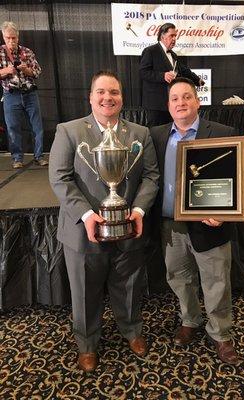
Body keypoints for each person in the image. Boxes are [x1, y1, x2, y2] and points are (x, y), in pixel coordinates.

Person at [49, 71, 159, 372]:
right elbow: (59, 178)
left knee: (131, 285)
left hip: (129, 226)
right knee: (84, 292)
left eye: (114, 92)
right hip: (83, 232)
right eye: (101, 92)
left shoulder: (140, 134)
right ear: (90, 96)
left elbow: (151, 177)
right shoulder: (69, 131)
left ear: (122, 97)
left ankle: (132, 330)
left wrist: (138, 211)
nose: (107, 97)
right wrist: (87, 214)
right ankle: (87, 344)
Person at [150, 77, 239, 365]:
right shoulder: (156, 135)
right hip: (169, 226)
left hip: (209, 224)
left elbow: (233, 181)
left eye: (186, 97)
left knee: (216, 281)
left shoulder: (222, 133)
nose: (180, 103)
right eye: (175, 98)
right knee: (178, 278)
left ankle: (221, 334)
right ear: (168, 105)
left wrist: (223, 213)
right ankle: (190, 319)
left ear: (197, 101)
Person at [0, 21, 48, 169]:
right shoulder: (0, 53)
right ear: (3, 36)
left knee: (37, 127)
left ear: (18, 37)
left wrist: (26, 70)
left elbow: (38, 71)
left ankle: (39, 156)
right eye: (8, 38)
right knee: (13, 128)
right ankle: (17, 158)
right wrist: (6, 71)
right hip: (11, 95)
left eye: (13, 38)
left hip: (30, 94)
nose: (11, 41)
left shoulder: (27, 52)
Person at [140, 23, 204, 128]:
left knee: (169, 131)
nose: (174, 39)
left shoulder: (173, 55)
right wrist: (162, 75)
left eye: (175, 36)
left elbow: (184, 70)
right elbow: (143, 72)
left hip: (171, 103)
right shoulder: (150, 51)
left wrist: (197, 80)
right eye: (171, 36)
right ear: (162, 36)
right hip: (155, 103)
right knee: (156, 132)